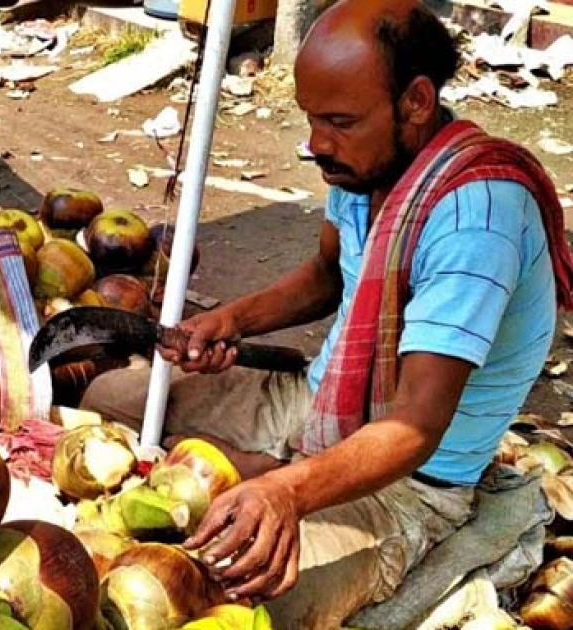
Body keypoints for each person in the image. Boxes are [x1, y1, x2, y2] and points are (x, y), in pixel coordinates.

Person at [79, 0, 573, 627]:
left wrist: (288, 489)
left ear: (416, 102)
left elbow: (414, 428)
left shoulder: (475, 219)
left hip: (412, 484)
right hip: (320, 401)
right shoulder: (366, 168)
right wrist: (230, 321)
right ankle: (254, 466)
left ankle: (265, 474)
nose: (316, 145)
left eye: (339, 121)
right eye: (311, 118)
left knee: (228, 594)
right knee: (103, 400)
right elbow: (326, 276)